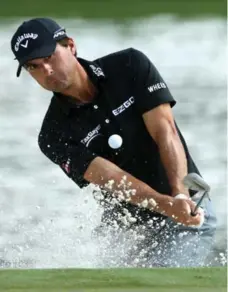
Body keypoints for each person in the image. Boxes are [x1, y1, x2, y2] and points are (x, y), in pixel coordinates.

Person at [10, 17, 216, 267]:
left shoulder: (129, 65)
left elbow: (166, 132)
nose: (46, 71)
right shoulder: (53, 135)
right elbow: (113, 178)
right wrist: (164, 205)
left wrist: (180, 198)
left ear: (71, 46)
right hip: (130, 229)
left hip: (188, 210)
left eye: (49, 57)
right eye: (33, 67)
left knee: (166, 279)